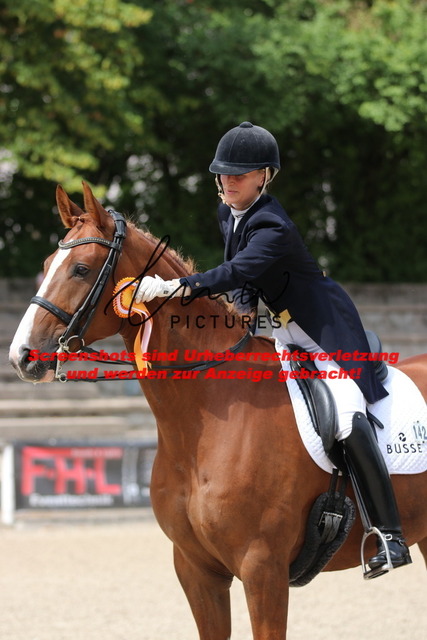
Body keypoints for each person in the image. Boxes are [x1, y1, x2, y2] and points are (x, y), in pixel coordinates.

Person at [135, 121, 412, 574]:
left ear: (264, 176)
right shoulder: (228, 213)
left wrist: (173, 288)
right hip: (282, 329)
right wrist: (241, 315)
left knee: (346, 415)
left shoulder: (273, 224)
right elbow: (246, 282)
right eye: (223, 174)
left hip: (325, 332)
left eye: (239, 175)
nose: (228, 182)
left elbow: (236, 271)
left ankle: (390, 535)